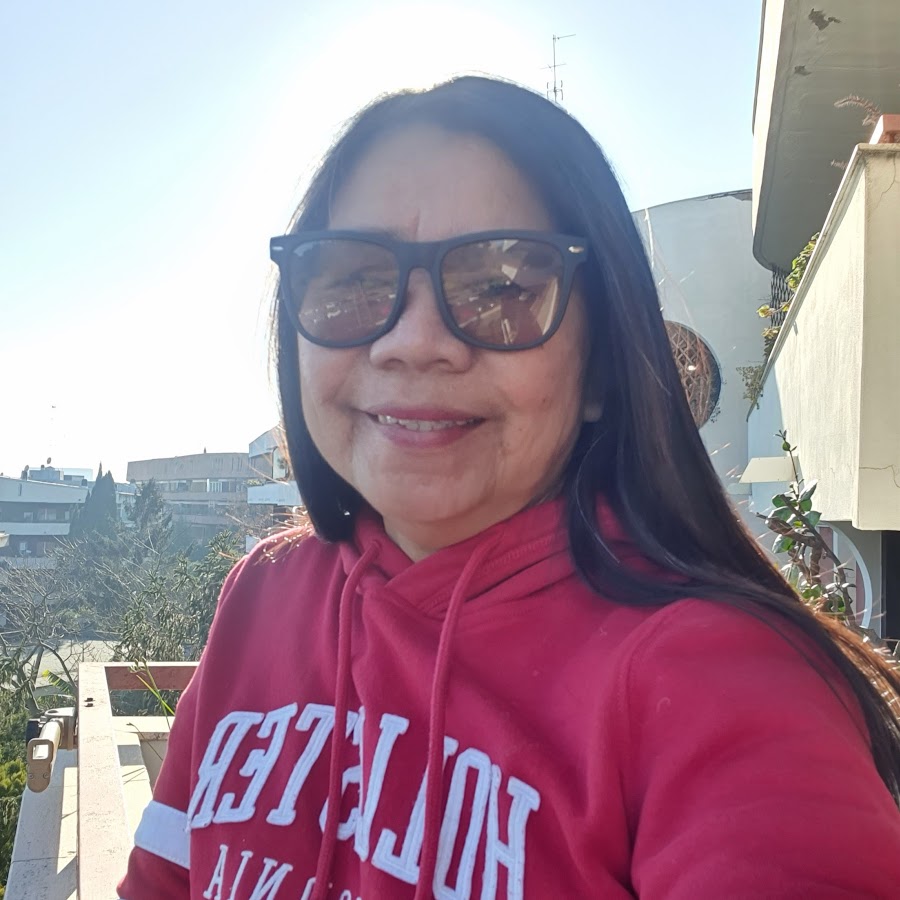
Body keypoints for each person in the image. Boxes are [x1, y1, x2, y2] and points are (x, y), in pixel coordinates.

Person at [119, 76, 900, 900]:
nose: (414, 342)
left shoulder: (720, 682)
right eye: (352, 280)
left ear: (599, 367)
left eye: (502, 288)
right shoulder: (264, 595)